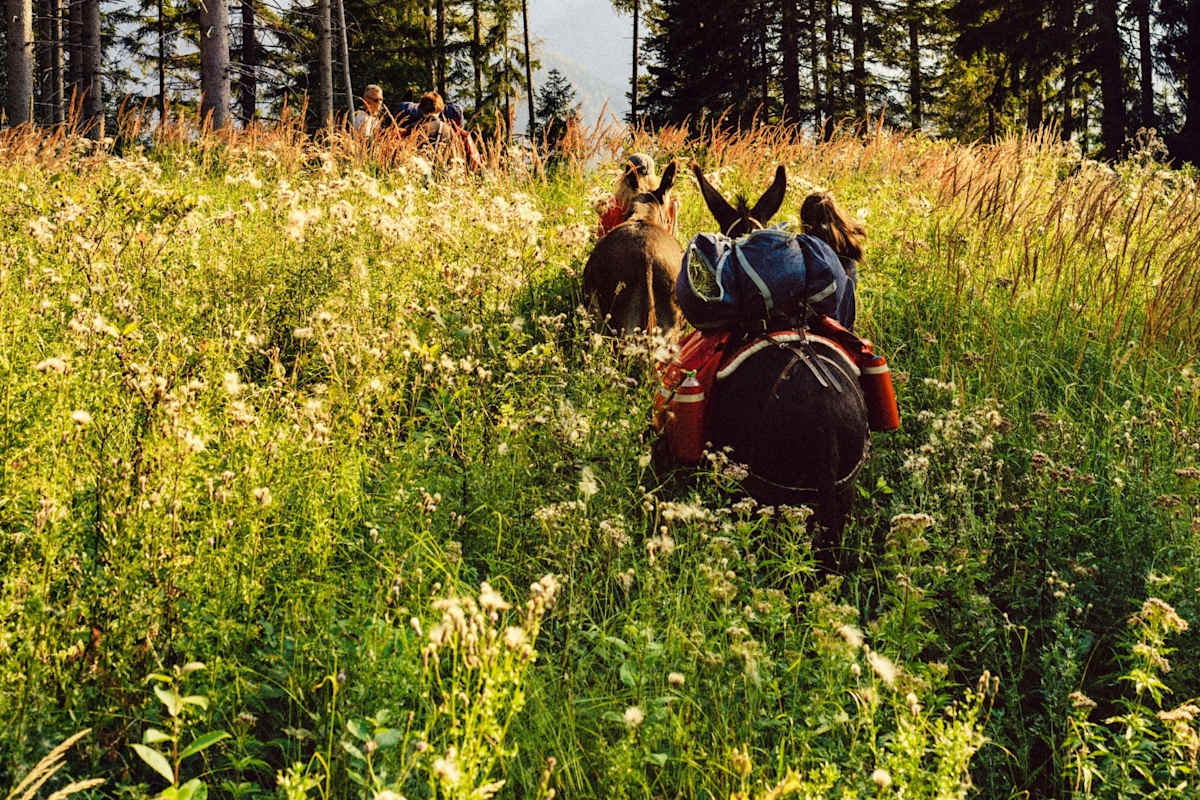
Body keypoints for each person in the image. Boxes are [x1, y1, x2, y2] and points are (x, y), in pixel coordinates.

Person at [800, 190, 865, 330]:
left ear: (805, 221)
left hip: (814, 327)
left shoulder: (809, 250)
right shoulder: (848, 250)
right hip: (841, 328)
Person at [595, 153, 679, 238]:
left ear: (624, 178)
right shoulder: (667, 205)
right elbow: (671, 237)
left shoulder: (610, 206)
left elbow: (600, 236)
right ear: (652, 179)